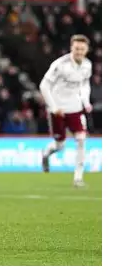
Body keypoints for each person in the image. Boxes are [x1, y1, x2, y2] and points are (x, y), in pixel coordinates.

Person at [38, 35, 93, 186]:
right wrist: (53, 107)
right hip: (58, 108)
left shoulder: (87, 65)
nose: (79, 52)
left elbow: (85, 84)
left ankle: (78, 178)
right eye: (76, 48)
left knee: (81, 139)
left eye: (82, 49)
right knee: (60, 145)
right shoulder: (60, 65)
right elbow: (44, 86)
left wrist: (86, 101)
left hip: (75, 108)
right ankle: (45, 154)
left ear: (87, 50)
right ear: (71, 48)